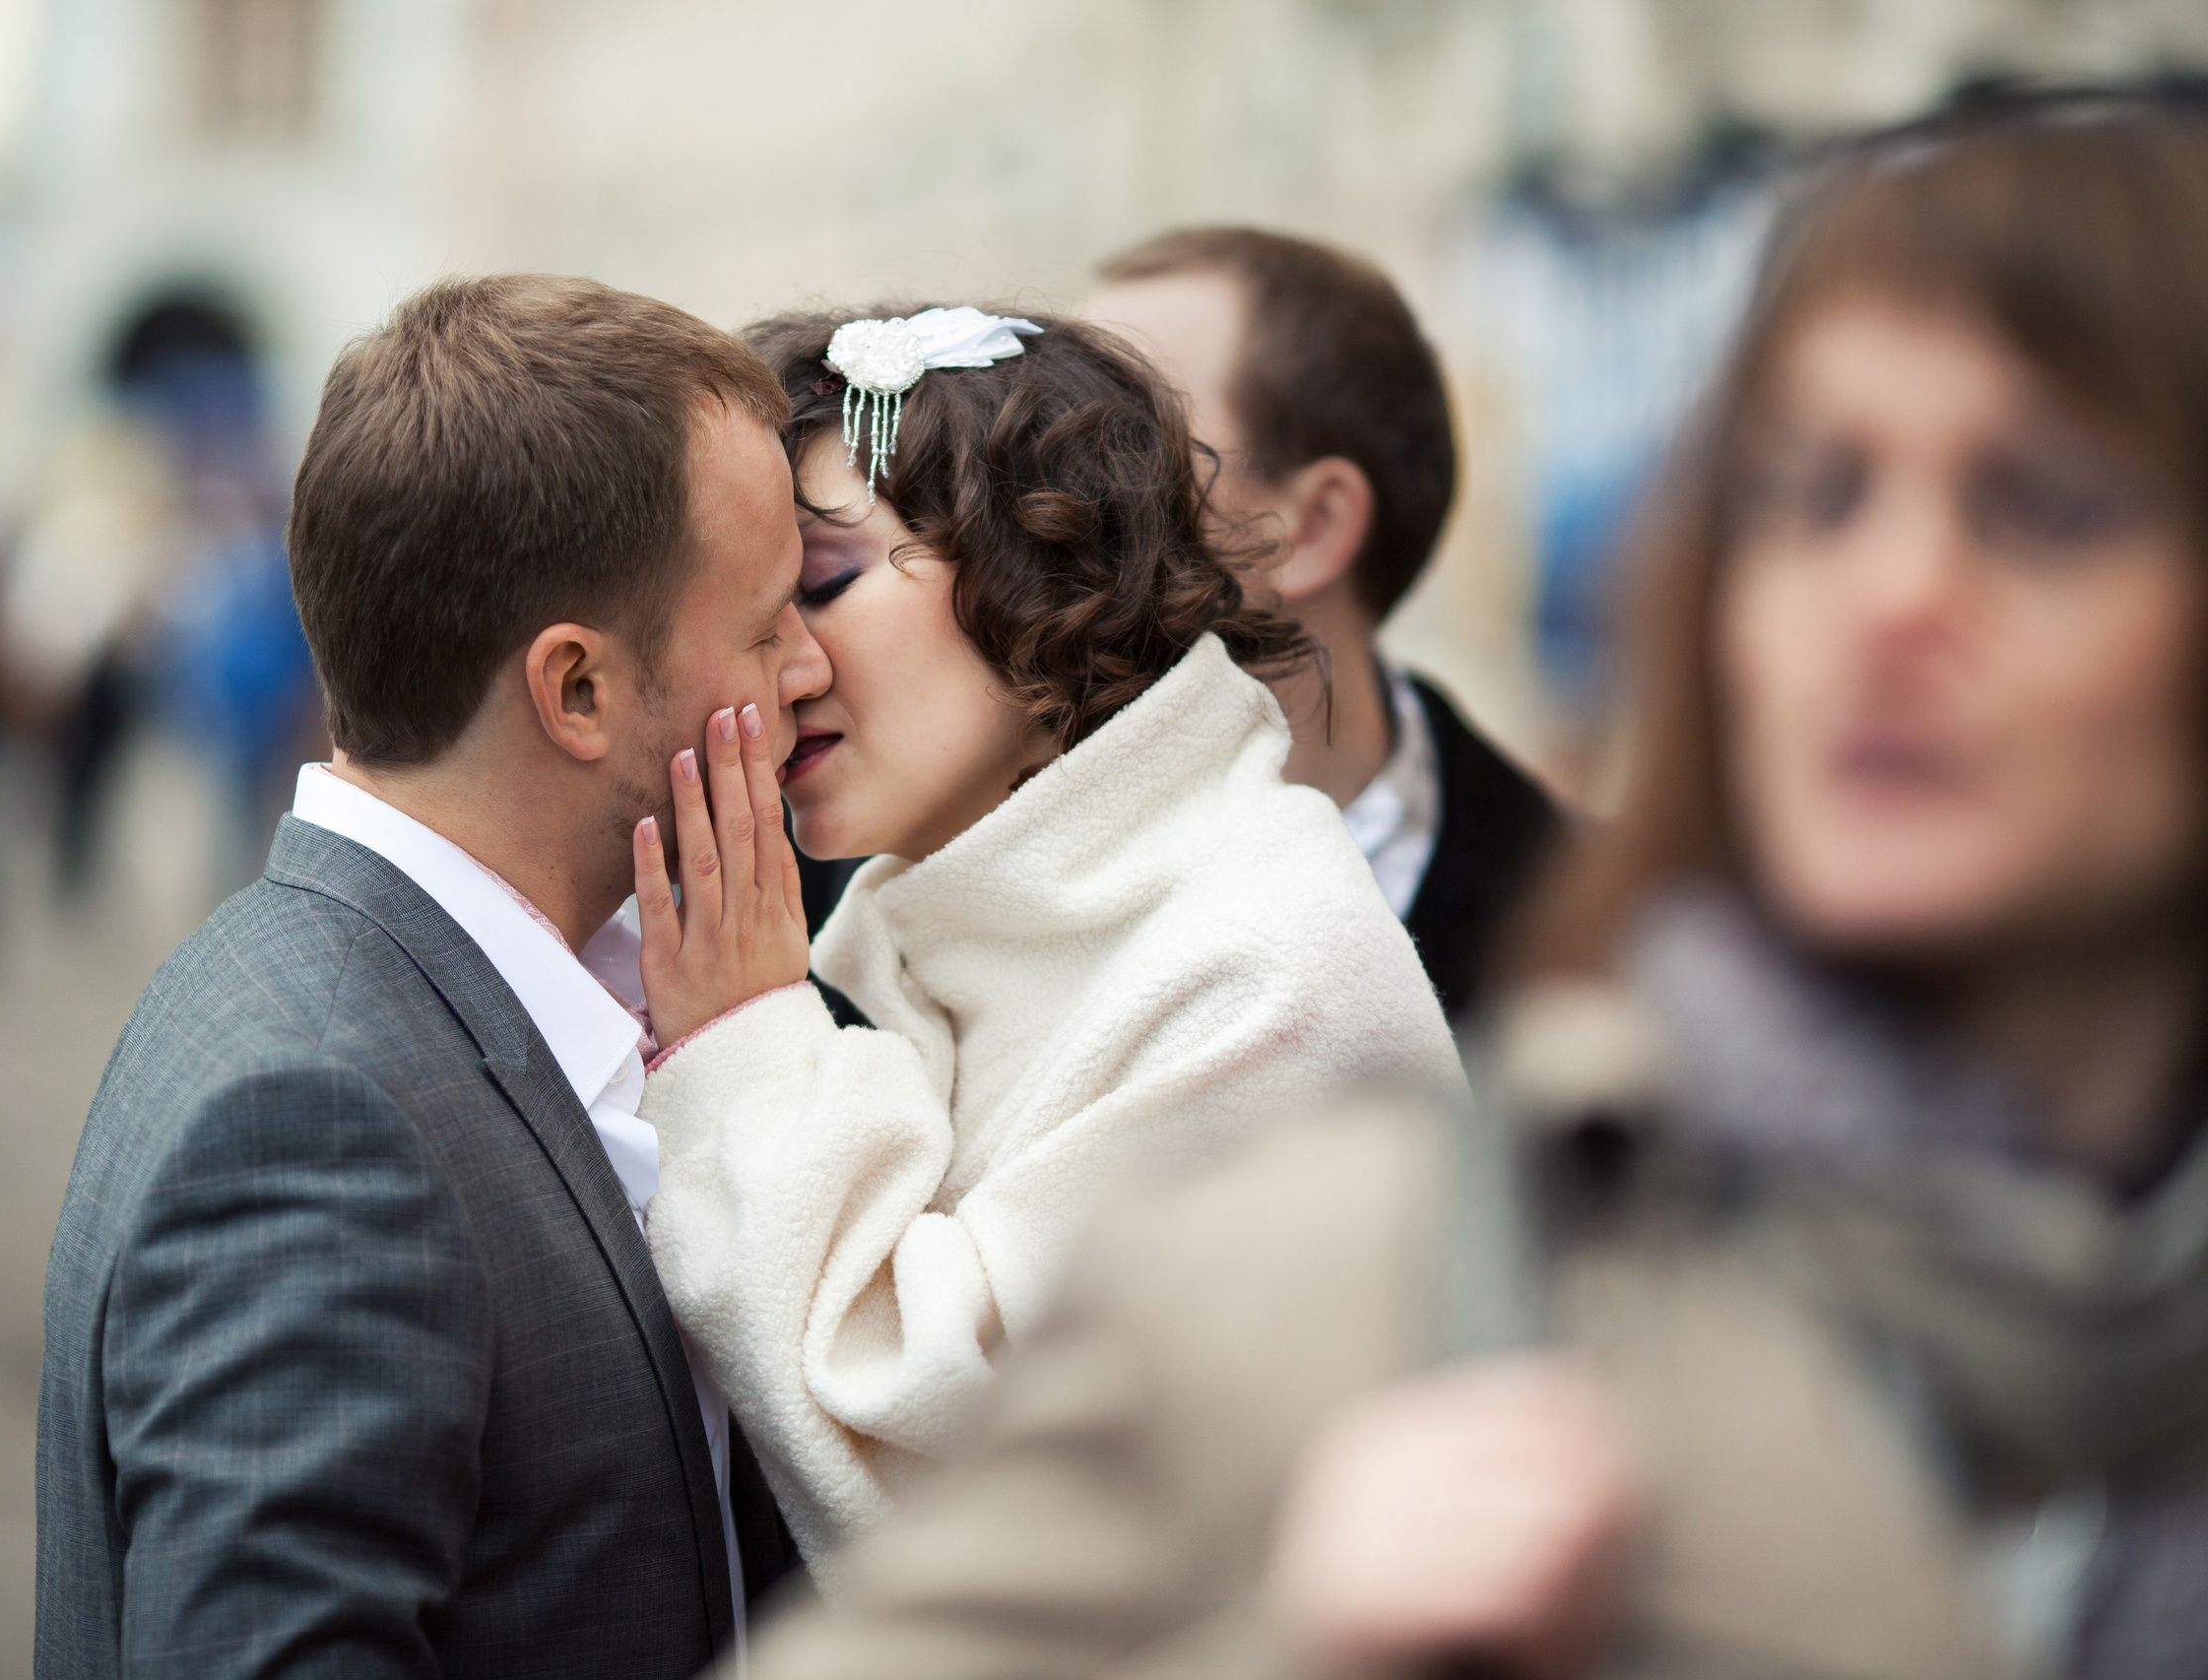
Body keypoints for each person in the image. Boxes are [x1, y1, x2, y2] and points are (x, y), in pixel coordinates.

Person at [727, 94, 2208, 1680]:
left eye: (2048, 504)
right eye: (1814, 496)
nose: (1895, 597)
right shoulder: (1415, 1234)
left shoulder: (1276, 975)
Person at [35, 275, 829, 1679]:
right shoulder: (317, 1118)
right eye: (767, 626)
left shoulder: (520, 991)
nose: (813, 667)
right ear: (575, 688)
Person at [627, 306, 1464, 1571]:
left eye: (820, 583)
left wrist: (743, 1051)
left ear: (1036, 569)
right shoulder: (902, 923)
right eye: (746, 611)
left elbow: (964, 1477)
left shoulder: (1266, 957)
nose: (780, 668)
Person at [1084, 227, 1566, 1021]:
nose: (1038, 494)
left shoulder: (1595, 935)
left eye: (1117, 443)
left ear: (1309, 527)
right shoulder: (877, 884)